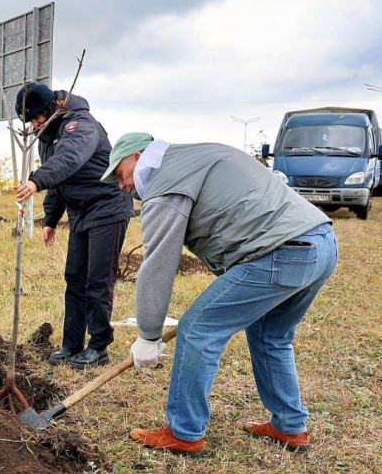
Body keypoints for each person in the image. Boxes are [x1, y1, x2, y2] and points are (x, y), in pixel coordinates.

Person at [101, 133, 338, 456]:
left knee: (198, 329)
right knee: (271, 335)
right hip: (320, 243)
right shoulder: (198, 154)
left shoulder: (165, 182)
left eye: (120, 174)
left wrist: (148, 334)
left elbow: (158, 265)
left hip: (281, 252)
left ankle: (184, 432)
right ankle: (289, 426)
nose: (122, 186)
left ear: (138, 157)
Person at [14, 82, 131, 370]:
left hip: (107, 207)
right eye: (28, 121)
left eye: (36, 117)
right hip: (80, 213)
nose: (33, 124)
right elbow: (60, 180)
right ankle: (72, 343)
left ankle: (99, 346)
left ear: (52, 108)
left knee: (98, 280)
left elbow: (69, 161)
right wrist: (51, 219)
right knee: (75, 278)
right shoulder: (47, 134)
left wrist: (35, 180)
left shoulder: (80, 125)